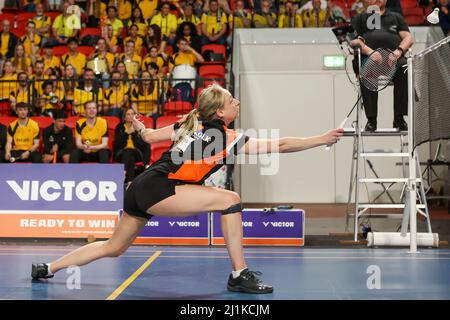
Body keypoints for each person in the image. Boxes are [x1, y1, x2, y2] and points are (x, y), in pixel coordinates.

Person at [31, 83, 344, 294]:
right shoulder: (225, 138)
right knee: (230, 199)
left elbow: (151, 137)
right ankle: (239, 274)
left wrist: (140, 127)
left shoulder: (190, 123)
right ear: (220, 113)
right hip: (160, 188)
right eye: (230, 100)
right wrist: (322, 139)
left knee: (113, 247)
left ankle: (47, 267)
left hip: (141, 186)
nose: (236, 101)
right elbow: (282, 144)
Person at [351, 0, 413, 131]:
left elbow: (408, 37)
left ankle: (399, 118)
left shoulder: (396, 17)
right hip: (370, 58)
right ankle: (371, 120)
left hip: (393, 58)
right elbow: (353, 40)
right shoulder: (360, 18)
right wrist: (370, 52)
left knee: (404, 66)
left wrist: (398, 52)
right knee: (366, 67)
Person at [114, 108, 150, 184]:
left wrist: (133, 133)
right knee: (130, 155)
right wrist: (126, 134)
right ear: (124, 117)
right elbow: (118, 144)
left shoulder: (139, 127)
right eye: (128, 114)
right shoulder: (119, 127)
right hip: (121, 153)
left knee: (130, 152)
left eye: (132, 114)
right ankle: (130, 183)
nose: (131, 116)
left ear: (135, 116)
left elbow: (142, 145)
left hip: (137, 152)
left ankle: (123, 173)